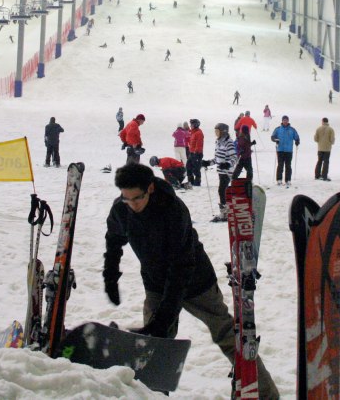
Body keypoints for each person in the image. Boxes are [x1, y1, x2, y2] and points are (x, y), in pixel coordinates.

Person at [102, 163, 279, 399]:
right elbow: (114, 240)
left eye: (137, 198)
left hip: (196, 282)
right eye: (127, 199)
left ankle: (266, 394)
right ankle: (154, 395)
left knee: (227, 334)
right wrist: (110, 276)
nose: (132, 205)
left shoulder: (173, 210)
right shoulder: (121, 209)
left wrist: (164, 316)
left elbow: (181, 266)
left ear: (150, 188)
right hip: (156, 282)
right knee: (154, 344)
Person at [202, 123, 237, 222]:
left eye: (217, 131)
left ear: (223, 132)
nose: (215, 133)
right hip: (221, 171)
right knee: (222, 191)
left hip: (227, 172)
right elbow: (217, 158)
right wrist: (208, 162)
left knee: (222, 191)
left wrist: (227, 164)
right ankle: (225, 212)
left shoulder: (228, 142)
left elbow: (234, 158)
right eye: (215, 131)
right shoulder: (218, 142)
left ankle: (225, 213)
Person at [271, 115, 300, 187]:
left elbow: (296, 137)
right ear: (282, 121)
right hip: (280, 150)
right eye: (284, 120)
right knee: (280, 165)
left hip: (289, 150)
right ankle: (279, 179)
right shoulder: (278, 129)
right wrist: (275, 140)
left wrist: (297, 141)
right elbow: (272, 137)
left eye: (286, 120)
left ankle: (288, 180)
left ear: (288, 121)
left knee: (288, 166)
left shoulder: (292, 129)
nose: (285, 121)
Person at [313, 117, 335, 181]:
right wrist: (330, 143)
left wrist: (320, 142)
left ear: (322, 121)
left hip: (320, 148)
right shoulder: (331, 129)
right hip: (327, 149)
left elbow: (315, 139)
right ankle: (324, 175)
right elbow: (332, 139)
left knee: (319, 161)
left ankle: (317, 175)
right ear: (327, 122)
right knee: (326, 162)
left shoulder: (318, 129)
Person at [186, 118, 204, 187]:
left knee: (196, 169)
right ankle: (190, 182)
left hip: (197, 154)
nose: (191, 126)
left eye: (192, 124)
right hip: (191, 153)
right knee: (188, 167)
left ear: (195, 125)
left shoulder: (199, 133)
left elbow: (199, 144)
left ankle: (197, 183)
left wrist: (196, 152)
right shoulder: (193, 132)